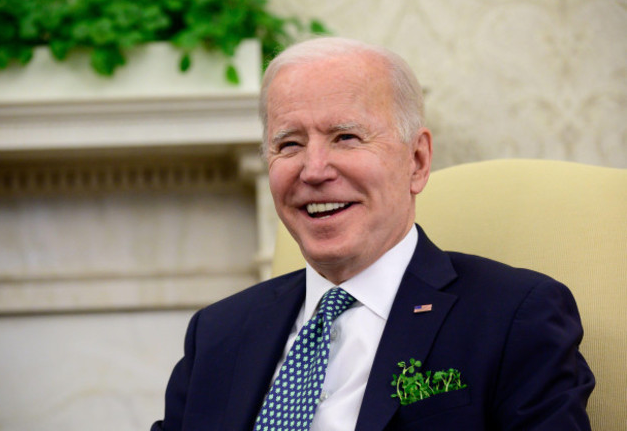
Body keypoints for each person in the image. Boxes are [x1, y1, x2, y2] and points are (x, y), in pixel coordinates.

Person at [151, 37, 594, 431]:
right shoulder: (218, 332)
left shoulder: (514, 315)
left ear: (416, 162)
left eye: (345, 137)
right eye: (289, 144)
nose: (314, 170)